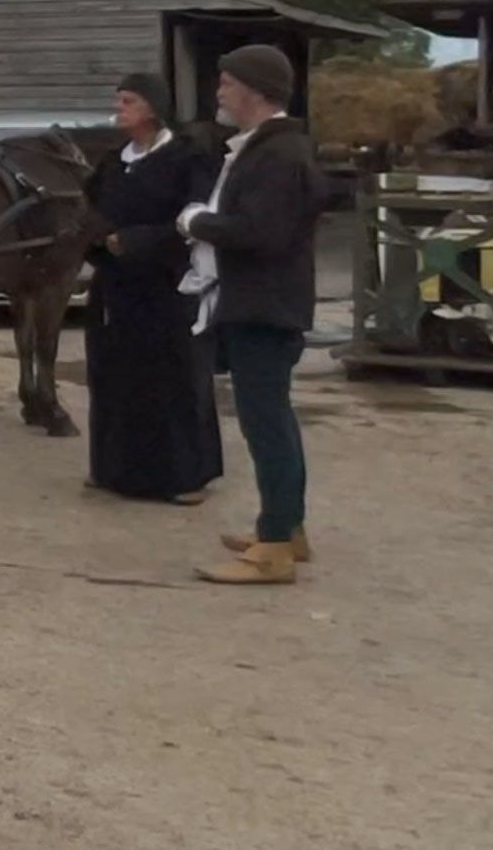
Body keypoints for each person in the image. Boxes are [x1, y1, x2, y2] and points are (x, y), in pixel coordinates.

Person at [178, 44, 325, 586]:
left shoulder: (279, 155)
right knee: (272, 421)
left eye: (227, 82)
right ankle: (285, 528)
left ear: (257, 91)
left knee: (266, 425)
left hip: (265, 306)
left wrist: (197, 222)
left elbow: (261, 233)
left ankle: (273, 550)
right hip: (261, 302)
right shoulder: (265, 148)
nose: (219, 91)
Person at [84, 73, 224, 504]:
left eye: (128, 100)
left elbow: (196, 218)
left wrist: (140, 240)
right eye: (119, 99)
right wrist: (98, 238)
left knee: (173, 379)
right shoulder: (112, 162)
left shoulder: (187, 159)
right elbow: (91, 208)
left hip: (169, 286)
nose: (120, 107)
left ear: (152, 108)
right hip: (117, 288)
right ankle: (115, 469)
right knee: (115, 377)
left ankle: (183, 476)